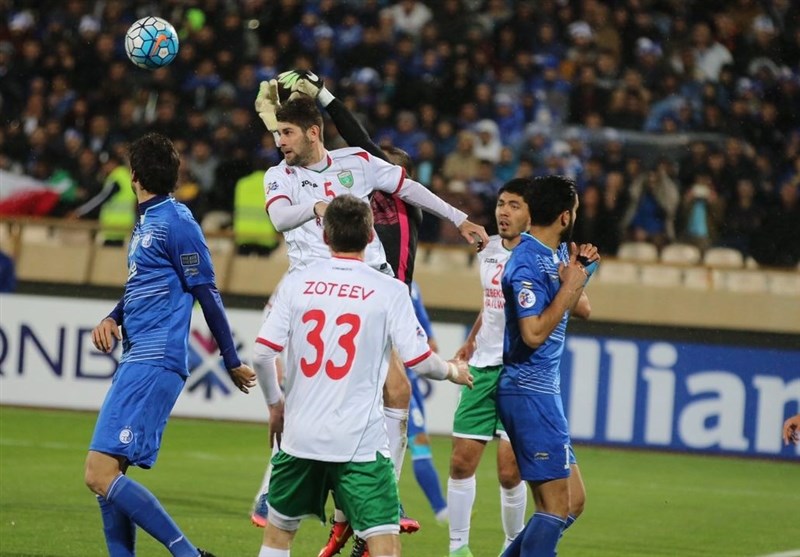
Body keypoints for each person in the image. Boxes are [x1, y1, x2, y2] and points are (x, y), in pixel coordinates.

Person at [251, 194, 473, 557]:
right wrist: (452, 371)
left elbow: (262, 354)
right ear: (372, 236)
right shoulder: (390, 289)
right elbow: (420, 360)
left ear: (325, 236)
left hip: (299, 437)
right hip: (361, 445)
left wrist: (276, 406)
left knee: (278, 538)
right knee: (383, 545)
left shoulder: (298, 282)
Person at [83, 132, 256, 557]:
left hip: (155, 358)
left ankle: (189, 554)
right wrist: (113, 316)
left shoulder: (177, 222)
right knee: (109, 475)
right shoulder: (149, 222)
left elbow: (206, 292)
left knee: (98, 473)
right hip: (138, 356)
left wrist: (230, 358)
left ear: (134, 176)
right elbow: (140, 286)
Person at [498, 175, 598, 557]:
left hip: (542, 393)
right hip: (529, 391)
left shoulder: (553, 254)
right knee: (554, 507)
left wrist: (580, 272)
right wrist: (570, 284)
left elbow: (582, 308)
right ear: (565, 217)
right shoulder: (526, 260)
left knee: (572, 501)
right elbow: (534, 333)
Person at [447, 178, 533, 557]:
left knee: (509, 471)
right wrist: (471, 340)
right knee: (460, 462)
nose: (504, 212)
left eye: (514, 205)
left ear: (530, 213)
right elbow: (491, 303)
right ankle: (458, 548)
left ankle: (512, 546)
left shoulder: (540, 255)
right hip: (482, 368)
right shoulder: (488, 249)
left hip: (519, 372)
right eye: (501, 204)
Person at [406, 281, 448, 523]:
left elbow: (427, 335)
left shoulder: (412, 286)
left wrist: (429, 337)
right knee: (417, 440)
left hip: (409, 379)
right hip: (394, 379)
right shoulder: (388, 282)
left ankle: (441, 510)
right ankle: (442, 511)